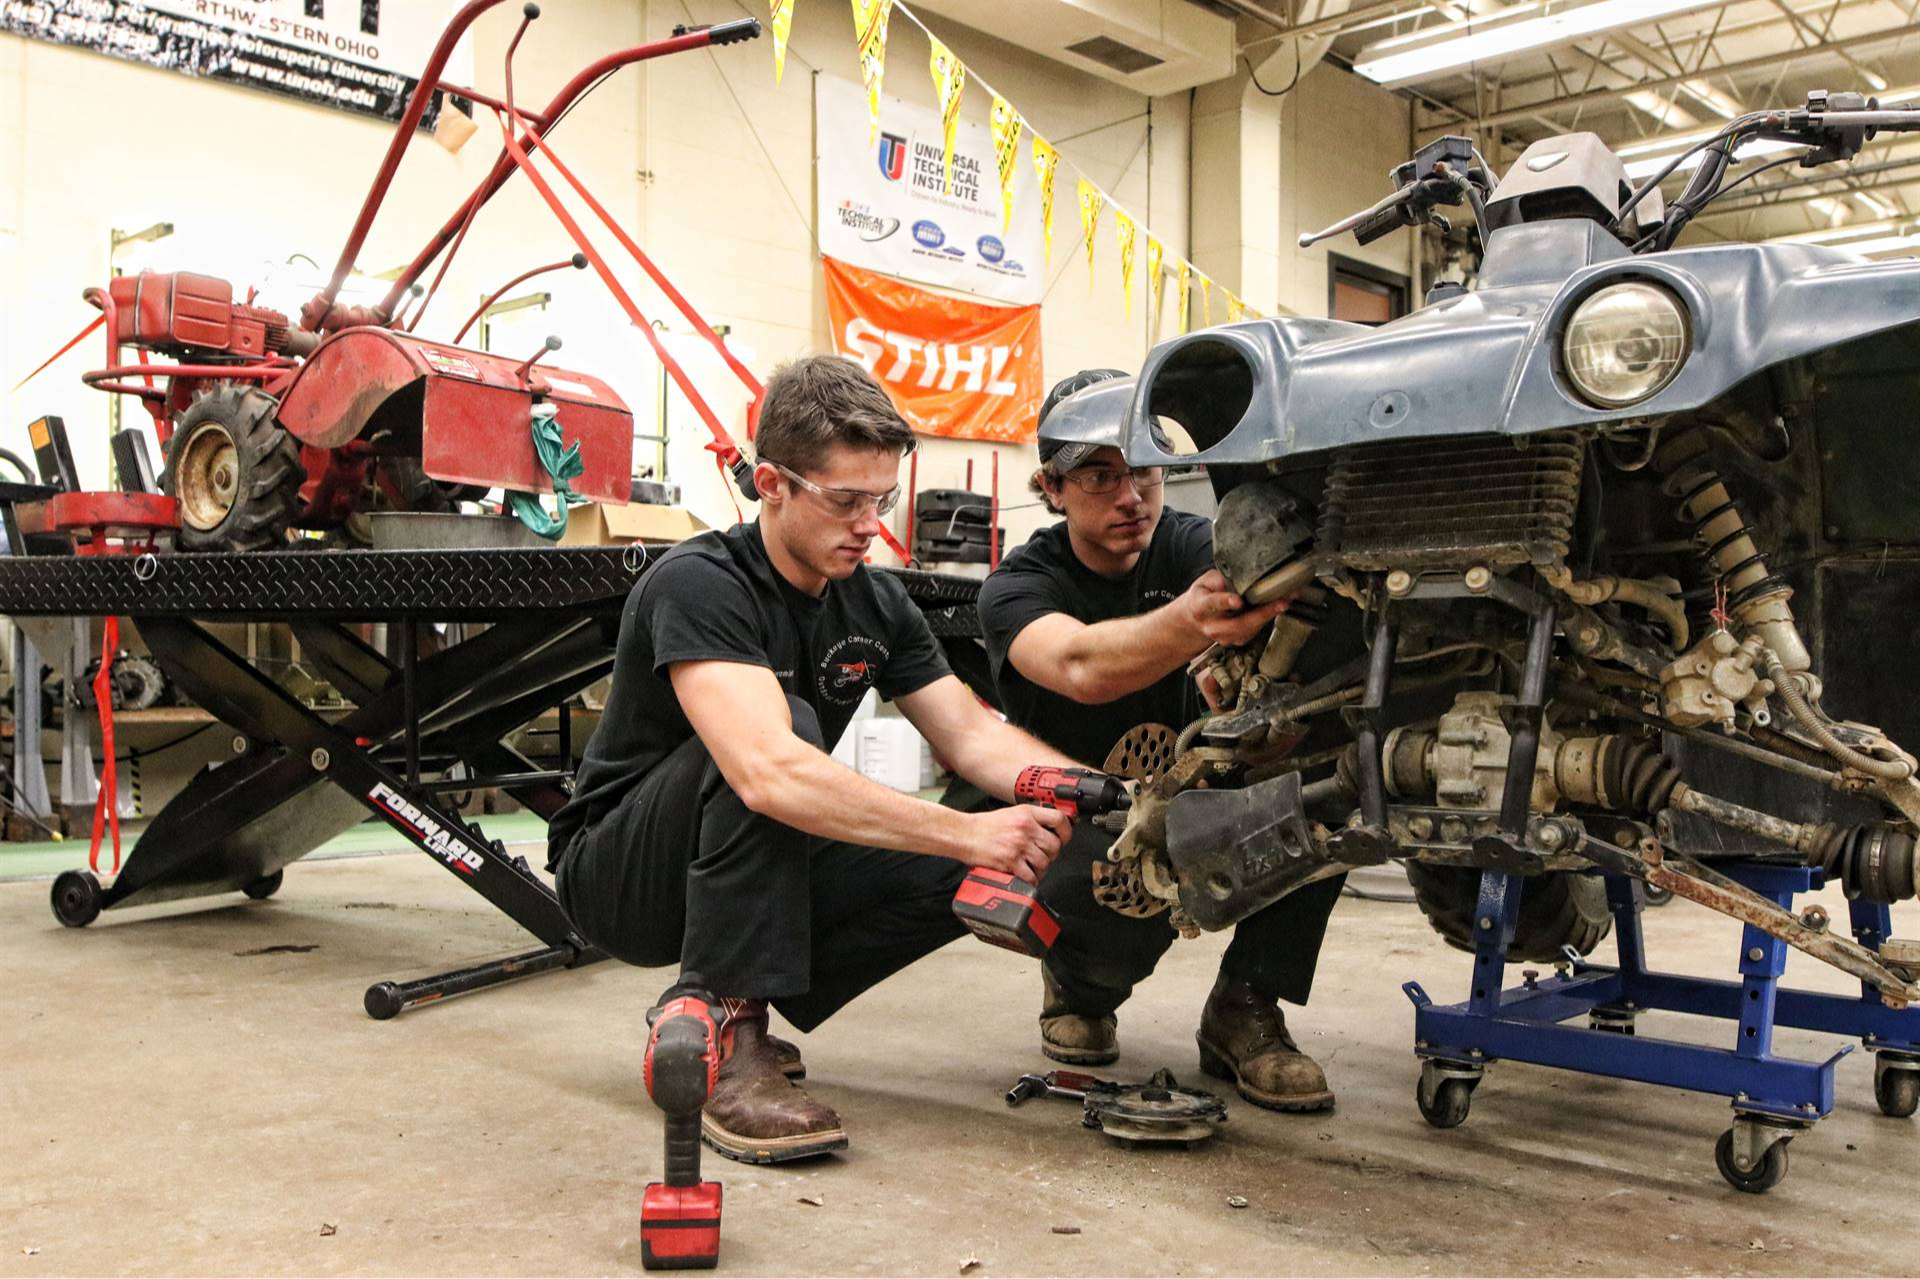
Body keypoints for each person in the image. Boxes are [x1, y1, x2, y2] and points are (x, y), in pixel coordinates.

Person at [547, 355, 1081, 1163]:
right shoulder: (700, 582)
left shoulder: (875, 598)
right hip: (623, 875)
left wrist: (1080, 791)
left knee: (978, 857)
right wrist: (968, 834)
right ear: (771, 483)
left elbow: (970, 738)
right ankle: (729, 1030)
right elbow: (767, 769)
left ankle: (746, 987)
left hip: (748, 854)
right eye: (846, 500)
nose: (871, 523)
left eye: (883, 498)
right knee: (792, 736)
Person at [974, 368, 1344, 1113]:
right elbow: (1078, 664)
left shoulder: (1190, 544)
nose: (1129, 496)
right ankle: (1077, 986)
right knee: (1110, 910)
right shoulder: (1017, 587)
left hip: (1193, 791)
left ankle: (1246, 1004)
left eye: (1142, 470)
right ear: (1051, 488)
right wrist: (1193, 625)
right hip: (1078, 817)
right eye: (1098, 477)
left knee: (1330, 785)